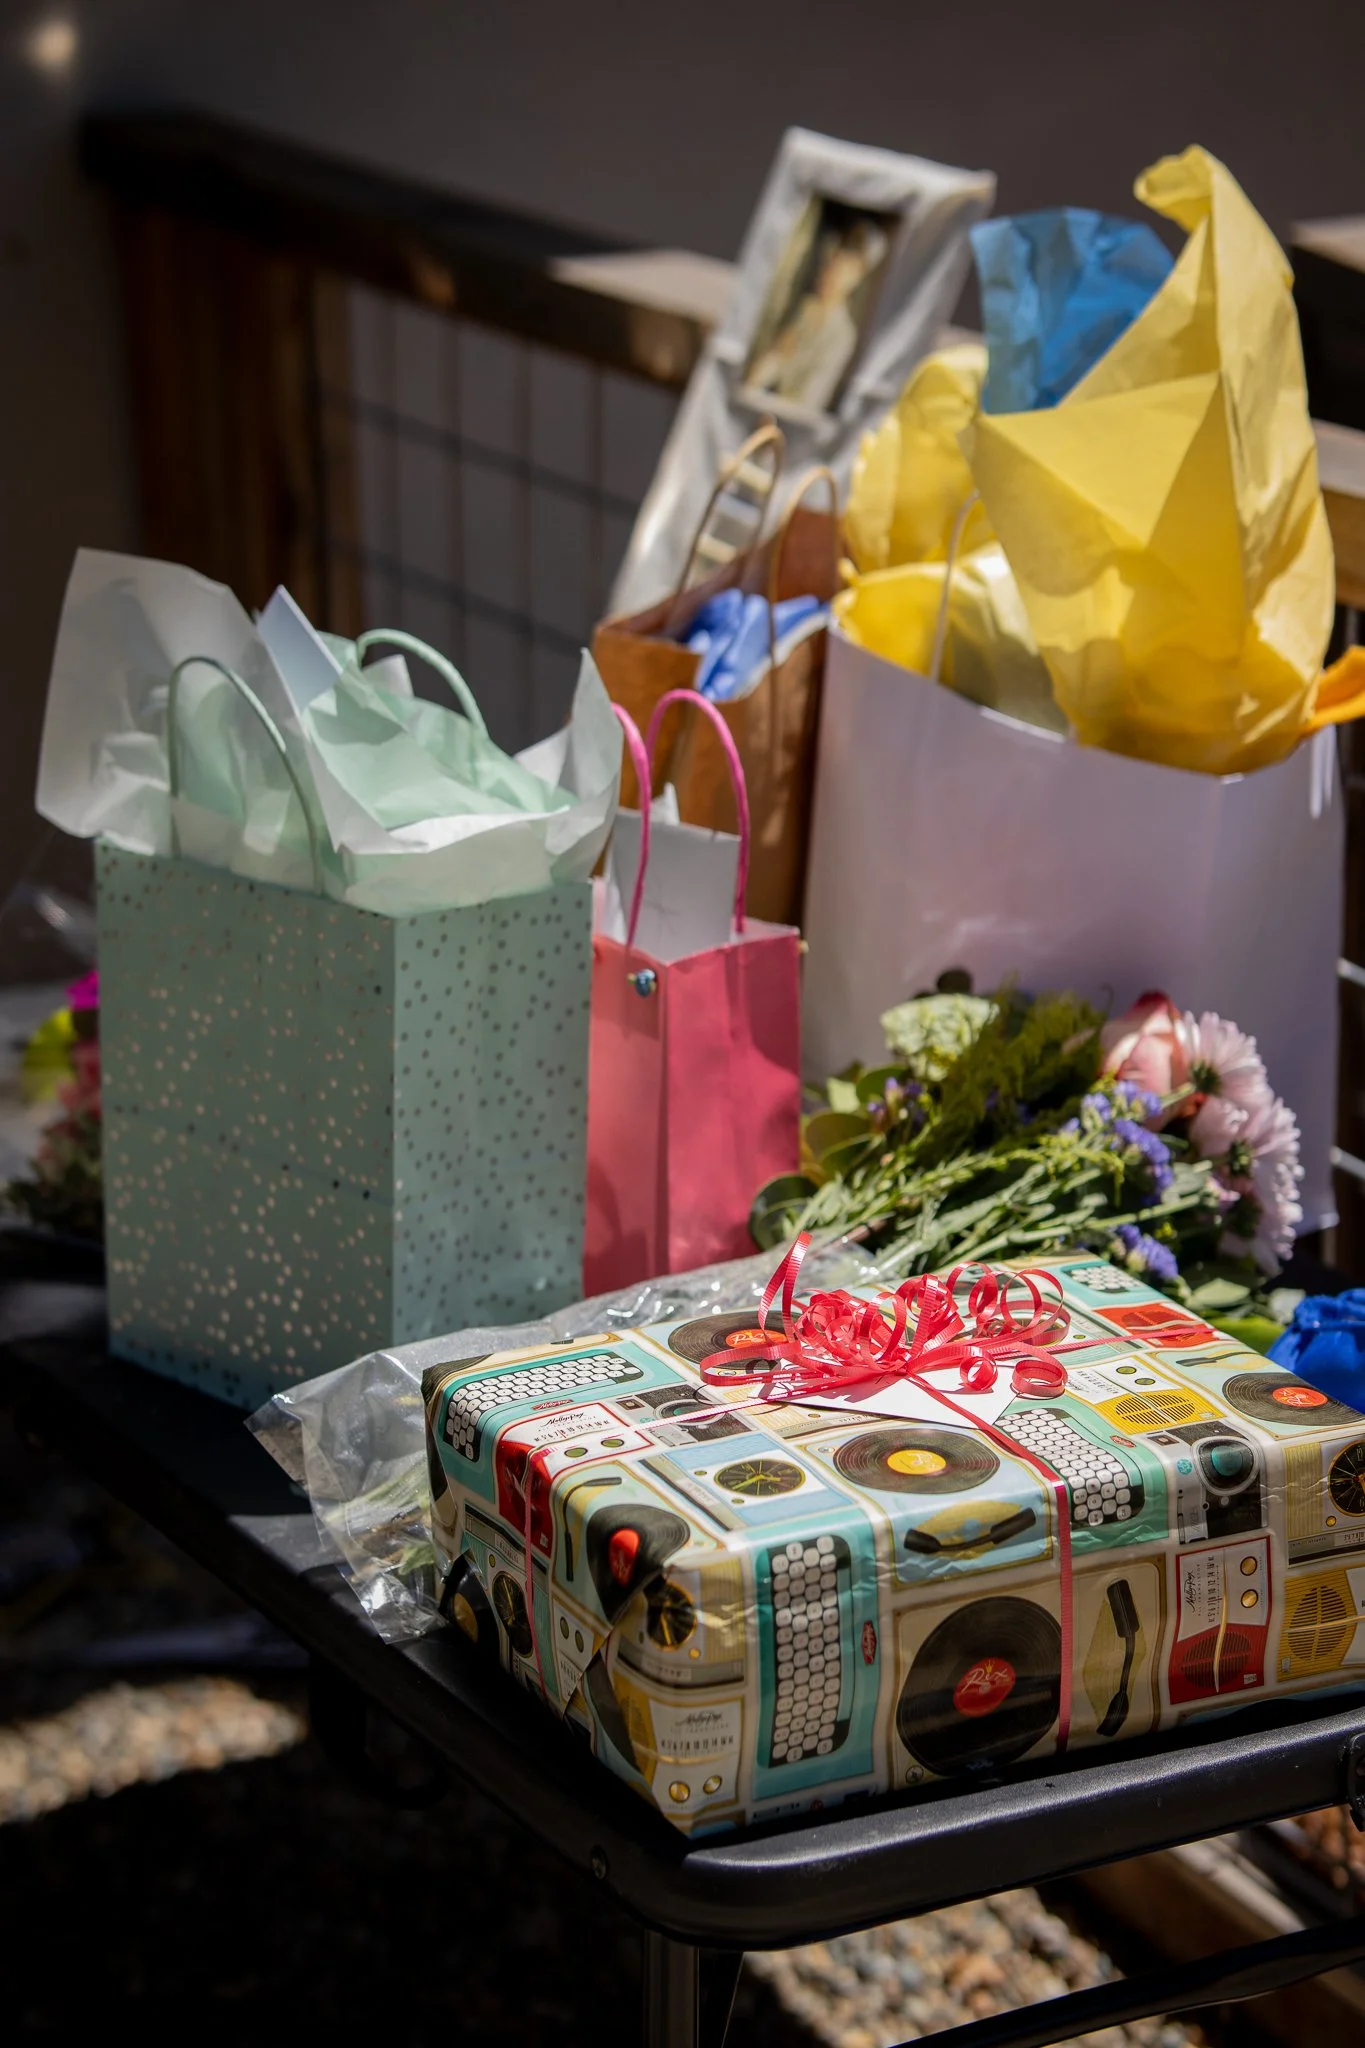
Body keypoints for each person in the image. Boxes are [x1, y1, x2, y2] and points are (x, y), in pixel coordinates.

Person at [747, 218, 888, 414]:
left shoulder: (842, 336)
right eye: (830, 264)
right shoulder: (804, 308)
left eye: (841, 268)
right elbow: (759, 373)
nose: (829, 273)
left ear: (856, 276)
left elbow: (806, 402)